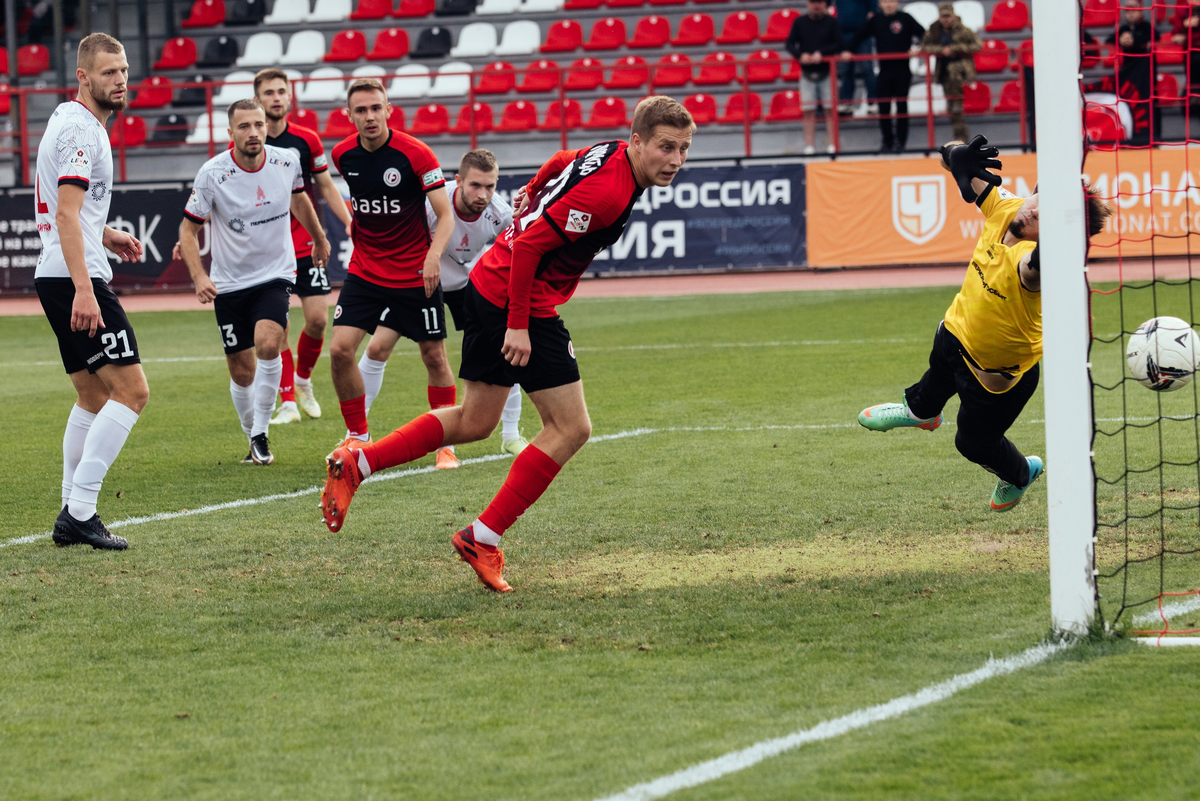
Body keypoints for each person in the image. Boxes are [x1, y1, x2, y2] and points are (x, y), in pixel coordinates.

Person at [320, 96, 695, 593]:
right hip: (517, 298)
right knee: (571, 427)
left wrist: (532, 191)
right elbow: (533, 246)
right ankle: (483, 536)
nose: (675, 160)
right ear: (638, 142)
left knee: (475, 421)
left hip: (487, 284)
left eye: (684, 149)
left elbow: (563, 160)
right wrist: (518, 323)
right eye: (666, 147)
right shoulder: (607, 191)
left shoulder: (608, 152)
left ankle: (359, 462)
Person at [858, 136, 1112, 512]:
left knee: (972, 444)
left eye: (1051, 217)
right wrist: (955, 153)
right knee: (935, 373)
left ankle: (1020, 473)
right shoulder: (1005, 205)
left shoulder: (1033, 262)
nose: (1036, 213)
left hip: (993, 377)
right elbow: (957, 162)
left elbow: (1035, 268)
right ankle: (920, 414)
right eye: (1042, 201)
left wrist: (1062, 237)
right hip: (956, 332)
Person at [35, 33, 148, 550]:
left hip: (55, 271)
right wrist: (85, 287)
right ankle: (80, 510)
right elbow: (63, 212)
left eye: (123, 70)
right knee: (132, 392)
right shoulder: (83, 131)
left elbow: (73, 212)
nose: (120, 79)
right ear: (83, 76)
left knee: (91, 393)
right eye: (108, 72)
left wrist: (105, 232)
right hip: (72, 278)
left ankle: (70, 504)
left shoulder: (67, 121)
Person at [178, 99, 331, 466]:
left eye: (258, 125)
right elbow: (187, 229)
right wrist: (199, 275)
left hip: (275, 274)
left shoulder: (287, 161)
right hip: (229, 283)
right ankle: (252, 437)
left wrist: (320, 237)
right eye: (244, 127)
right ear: (230, 133)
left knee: (268, 342)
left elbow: (300, 201)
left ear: (267, 127)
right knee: (241, 370)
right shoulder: (212, 173)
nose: (253, 133)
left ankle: (261, 432)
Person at [358, 148, 527, 459]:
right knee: (377, 348)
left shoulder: (500, 214)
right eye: (475, 185)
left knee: (507, 349)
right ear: (458, 180)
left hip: (471, 284)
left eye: (490, 186)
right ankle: (355, 436)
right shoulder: (433, 204)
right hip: (422, 281)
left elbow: (519, 251)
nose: (483, 194)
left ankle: (510, 435)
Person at [327, 78, 456, 465]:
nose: (369, 117)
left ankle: (444, 442)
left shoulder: (416, 154)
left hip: (415, 274)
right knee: (339, 349)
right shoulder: (342, 155)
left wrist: (433, 257)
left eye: (375, 108)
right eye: (361, 110)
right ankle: (358, 436)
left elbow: (446, 215)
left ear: (389, 110)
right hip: (366, 271)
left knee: (434, 356)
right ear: (348, 115)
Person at [248, 69, 353, 427]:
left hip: (305, 242)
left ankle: (304, 381)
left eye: (281, 91)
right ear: (257, 99)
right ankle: (288, 400)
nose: (276, 97)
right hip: (268, 247)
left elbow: (325, 186)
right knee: (278, 328)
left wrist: (349, 222)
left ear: (289, 97)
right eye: (268, 92)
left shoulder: (306, 140)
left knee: (319, 320)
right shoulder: (247, 141)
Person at [843, 0, 924, 153]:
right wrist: (848, 50)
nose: (888, 4)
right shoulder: (876, 20)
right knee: (884, 108)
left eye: (891, 1)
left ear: (897, 2)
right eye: (885, 1)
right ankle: (887, 141)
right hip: (884, 71)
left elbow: (924, 34)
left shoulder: (905, 18)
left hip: (903, 71)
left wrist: (918, 48)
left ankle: (901, 142)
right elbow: (858, 36)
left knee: (901, 107)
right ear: (880, 3)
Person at [785, 0, 843, 155]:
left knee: (830, 109)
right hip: (807, 72)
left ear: (824, 4)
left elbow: (838, 43)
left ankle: (833, 143)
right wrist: (800, 55)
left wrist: (822, 53)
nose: (816, 6)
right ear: (808, 4)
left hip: (827, 71)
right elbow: (789, 43)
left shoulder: (832, 22)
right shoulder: (800, 22)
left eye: (819, 2)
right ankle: (809, 145)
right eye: (813, 2)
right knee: (808, 110)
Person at [919, 2, 981, 143]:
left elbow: (978, 45)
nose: (946, 20)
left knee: (956, 106)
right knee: (953, 108)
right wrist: (941, 50)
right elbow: (924, 45)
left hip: (962, 71)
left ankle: (961, 137)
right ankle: (960, 138)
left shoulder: (964, 30)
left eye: (948, 16)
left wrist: (955, 48)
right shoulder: (934, 30)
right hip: (944, 73)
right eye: (943, 17)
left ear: (953, 16)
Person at [834, 0, 879, 117]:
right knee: (845, 69)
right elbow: (825, 4)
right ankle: (846, 102)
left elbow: (873, 7)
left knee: (867, 67)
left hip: (862, 32)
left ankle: (873, 101)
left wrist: (871, 15)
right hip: (843, 32)